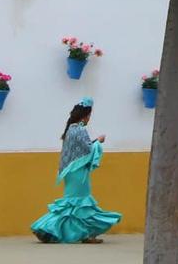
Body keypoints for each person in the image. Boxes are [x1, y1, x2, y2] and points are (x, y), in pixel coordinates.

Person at [31, 98, 121, 245]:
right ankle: (45, 228)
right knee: (80, 203)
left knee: (73, 204)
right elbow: (89, 150)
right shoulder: (80, 129)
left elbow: (82, 150)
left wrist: (93, 142)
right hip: (79, 172)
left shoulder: (71, 130)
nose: (89, 119)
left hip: (71, 172)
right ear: (85, 115)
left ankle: (81, 234)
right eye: (89, 116)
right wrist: (98, 141)